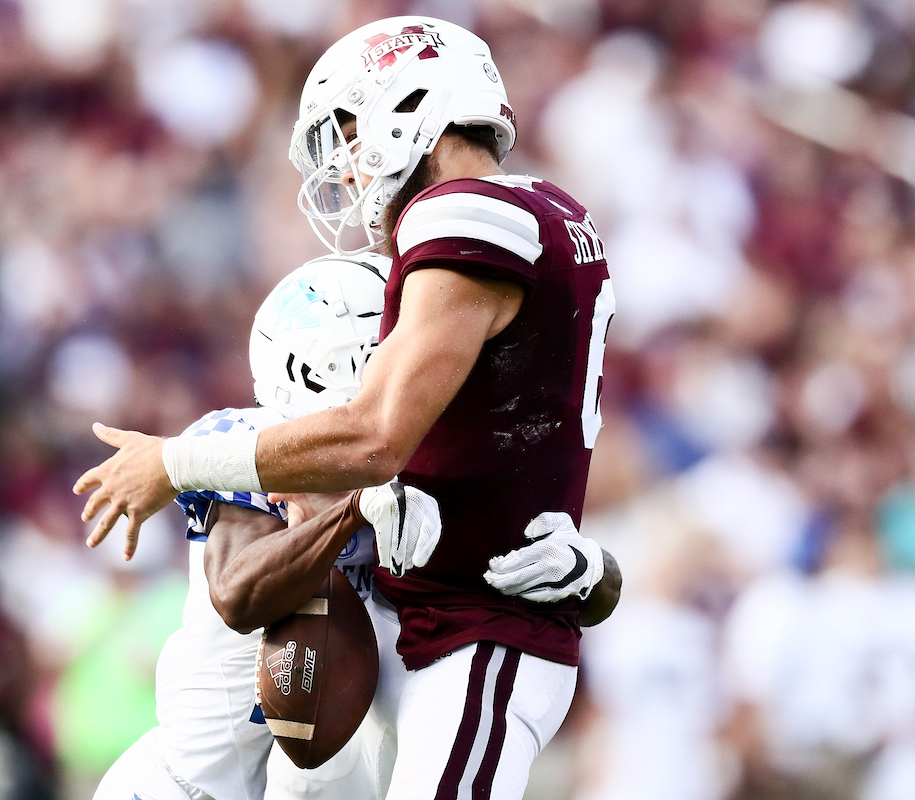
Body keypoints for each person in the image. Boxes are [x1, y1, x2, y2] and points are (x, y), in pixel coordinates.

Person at [75, 16, 622, 799]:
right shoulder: (265, 443)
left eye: (352, 134)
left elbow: (394, 456)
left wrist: (592, 571)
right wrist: (344, 509)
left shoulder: (461, 224)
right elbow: (245, 587)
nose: (352, 166)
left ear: (413, 107)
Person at [92, 254, 442, 800]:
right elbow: (239, 595)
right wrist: (351, 512)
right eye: (386, 351)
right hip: (180, 790)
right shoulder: (251, 441)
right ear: (325, 368)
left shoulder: (405, 473)